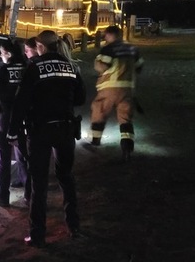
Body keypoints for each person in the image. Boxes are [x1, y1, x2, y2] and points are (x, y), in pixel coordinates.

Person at [9, 30, 86, 247]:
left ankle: (37, 235)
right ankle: (74, 226)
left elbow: (21, 101)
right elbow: (80, 97)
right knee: (66, 177)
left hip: (40, 131)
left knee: (39, 183)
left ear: (40, 46)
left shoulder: (34, 67)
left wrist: (12, 131)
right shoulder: (71, 66)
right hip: (66, 129)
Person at [0, 39, 30, 208]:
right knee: (24, 157)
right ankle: (29, 194)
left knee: (3, 158)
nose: (0, 55)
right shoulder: (27, 68)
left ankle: (3, 196)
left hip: (6, 118)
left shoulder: (4, 70)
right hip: (24, 118)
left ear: (9, 54)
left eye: (2, 52)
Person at [89, 25, 144, 161]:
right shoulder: (132, 49)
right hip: (128, 89)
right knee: (125, 119)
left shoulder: (109, 49)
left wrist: (97, 62)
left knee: (99, 111)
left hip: (109, 88)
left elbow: (102, 66)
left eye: (106, 36)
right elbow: (139, 66)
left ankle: (96, 140)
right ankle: (127, 148)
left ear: (109, 35)